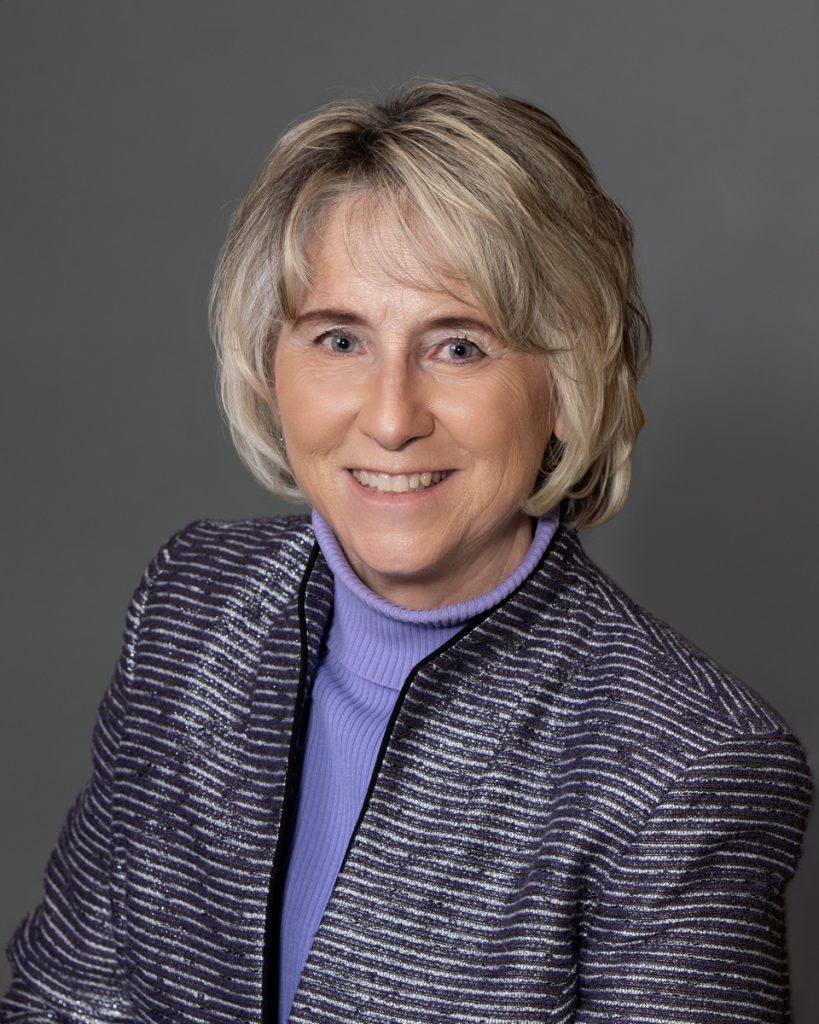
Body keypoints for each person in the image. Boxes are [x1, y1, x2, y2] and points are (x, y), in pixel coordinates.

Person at [0, 80, 812, 1024]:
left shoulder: (688, 764)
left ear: (567, 384)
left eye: (458, 347)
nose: (390, 419)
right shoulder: (195, 604)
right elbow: (67, 997)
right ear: (270, 363)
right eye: (339, 339)